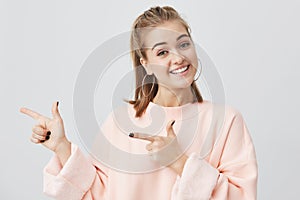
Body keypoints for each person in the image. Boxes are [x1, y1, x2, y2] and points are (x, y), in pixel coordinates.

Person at [20, 6, 258, 200]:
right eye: (162, 52)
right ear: (145, 63)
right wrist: (62, 146)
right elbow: (99, 193)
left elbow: (242, 195)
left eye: (184, 44)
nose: (178, 58)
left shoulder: (226, 121)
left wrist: (179, 162)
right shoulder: (120, 122)